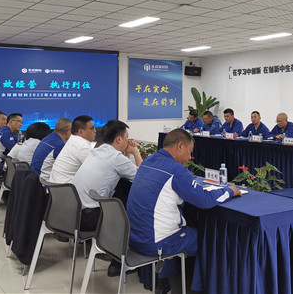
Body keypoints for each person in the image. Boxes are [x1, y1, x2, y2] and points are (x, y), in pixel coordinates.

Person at [127, 129, 241, 293]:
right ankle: (198, 289)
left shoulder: (148, 161)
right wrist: (230, 191)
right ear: (180, 146)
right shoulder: (176, 170)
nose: (189, 157)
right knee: (210, 240)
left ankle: (163, 283)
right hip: (155, 243)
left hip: (135, 238)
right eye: (189, 151)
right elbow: (204, 200)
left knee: (173, 228)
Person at [72, 120, 142, 231]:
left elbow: (124, 169)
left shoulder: (96, 151)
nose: (128, 141)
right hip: (88, 218)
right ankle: (126, 234)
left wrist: (127, 152)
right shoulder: (116, 157)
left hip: (73, 214)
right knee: (128, 189)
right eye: (127, 137)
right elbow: (142, 177)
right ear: (119, 139)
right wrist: (135, 152)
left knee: (122, 185)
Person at [49, 115, 96, 184]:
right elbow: (95, 170)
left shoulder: (73, 140)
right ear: (81, 131)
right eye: (92, 128)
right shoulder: (82, 145)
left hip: (56, 187)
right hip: (67, 188)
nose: (95, 131)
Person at [30, 118, 72, 184]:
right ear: (68, 131)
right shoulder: (59, 145)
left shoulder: (47, 138)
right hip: (44, 183)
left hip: (34, 178)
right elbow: (68, 166)